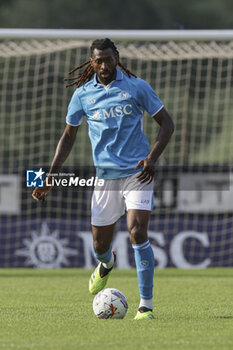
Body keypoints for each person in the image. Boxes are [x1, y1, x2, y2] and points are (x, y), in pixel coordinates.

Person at [32, 38, 174, 320]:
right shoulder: (83, 94)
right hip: (105, 178)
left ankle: (145, 305)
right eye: (99, 60)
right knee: (99, 247)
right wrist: (50, 175)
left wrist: (152, 158)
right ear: (92, 62)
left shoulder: (136, 87)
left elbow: (167, 124)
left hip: (137, 173)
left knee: (137, 232)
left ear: (116, 57)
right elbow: (68, 137)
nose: (105, 65)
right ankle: (107, 264)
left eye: (109, 59)